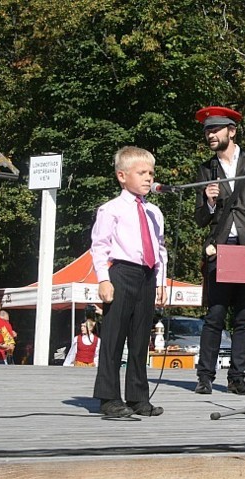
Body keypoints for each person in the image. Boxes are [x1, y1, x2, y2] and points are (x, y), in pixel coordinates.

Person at [193, 106, 245, 395]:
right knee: (214, 315)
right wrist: (209, 201)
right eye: (206, 130)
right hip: (220, 249)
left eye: (215, 129)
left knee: (244, 316)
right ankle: (205, 376)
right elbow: (200, 218)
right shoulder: (206, 169)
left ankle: (237, 377)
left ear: (232, 130)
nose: (210, 134)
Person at [91, 146, 168, 417]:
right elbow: (99, 246)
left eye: (151, 173)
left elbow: (159, 248)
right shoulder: (111, 209)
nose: (148, 178)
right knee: (114, 337)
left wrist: (161, 281)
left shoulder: (154, 213)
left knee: (140, 337)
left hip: (147, 274)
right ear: (122, 176)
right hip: (122, 272)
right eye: (141, 172)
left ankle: (137, 397)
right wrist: (103, 279)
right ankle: (109, 397)